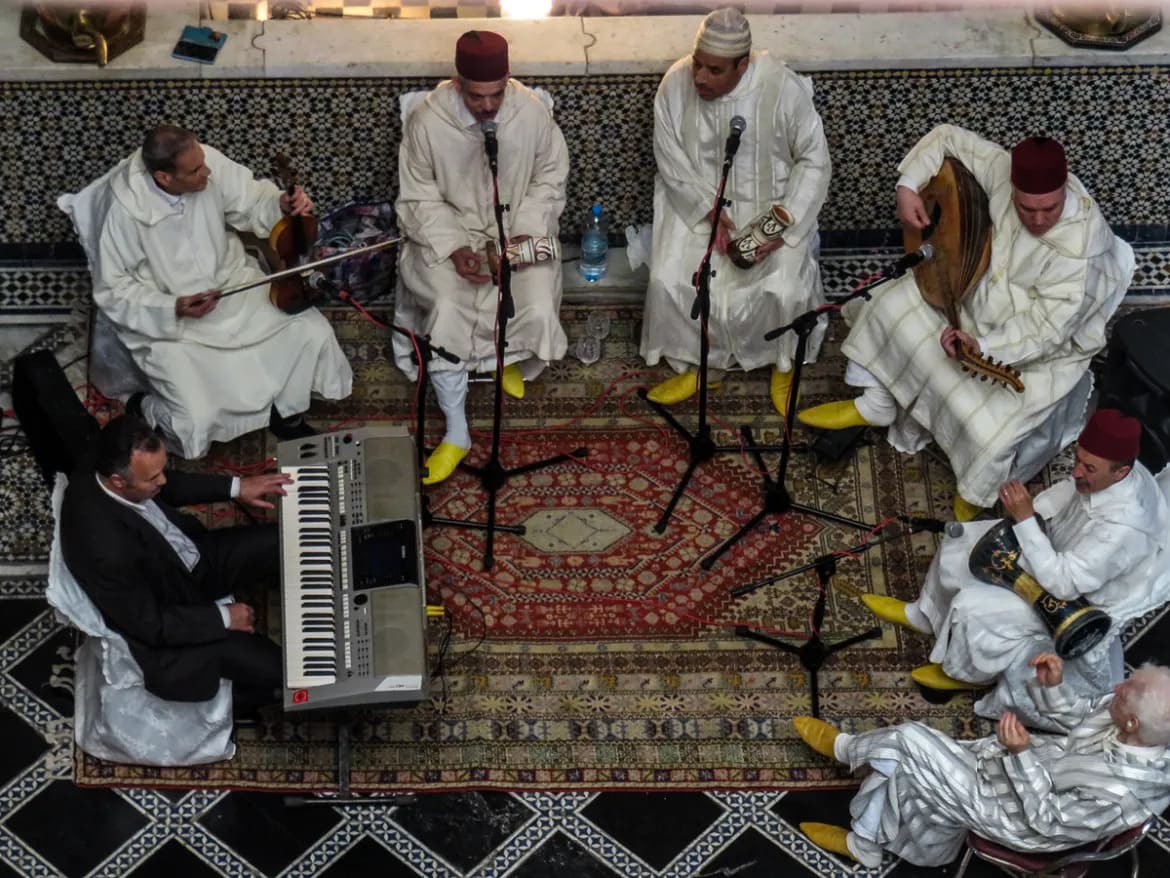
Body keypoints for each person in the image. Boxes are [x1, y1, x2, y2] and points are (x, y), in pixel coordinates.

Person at [798, 125, 1132, 521]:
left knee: (992, 432)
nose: (1039, 220)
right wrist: (908, 186)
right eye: (1027, 209)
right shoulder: (1000, 172)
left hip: (1037, 349)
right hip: (973, 296)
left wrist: (983, 345)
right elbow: (947, 138)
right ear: (1013, 189)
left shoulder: (1082, 254)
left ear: (1063, 195)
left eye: (1050, 209)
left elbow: (1048, 330)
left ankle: (975, 491)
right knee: (887, 303)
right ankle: (877, 405)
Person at [862, 409, 1168, 726]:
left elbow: (1064, 584)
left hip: (1075, 599)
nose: (1076, 471)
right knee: (963, 541)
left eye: (1089, 468)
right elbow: (1066, 493)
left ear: (1120, 473)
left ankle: (962, 673)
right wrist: (1032, 513)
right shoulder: (1113, 469)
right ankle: (925, 614)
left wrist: (1025, 521)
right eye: (1077, 458)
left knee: (973, 607)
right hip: (1054, 554)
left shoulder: (1125, 530)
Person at [94, 124, 354, 459]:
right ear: (163, 178)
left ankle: (285, 415)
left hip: (232, 285)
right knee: (195, 415)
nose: (207, 172)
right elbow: (113, 288)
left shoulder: (206, 162)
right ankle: (141, 406)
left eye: (203, 162)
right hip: (173, 317)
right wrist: (172, 306)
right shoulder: (124, 210)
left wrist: (280, 204)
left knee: (311, 332)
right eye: (195, 171)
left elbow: (252, 200)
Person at [793, 652, 1170, 869]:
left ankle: (846, 749)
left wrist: (1021, 755)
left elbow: (1046, 820)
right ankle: (867, 844)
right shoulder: (1143, 725)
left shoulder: (1119, 797)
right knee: (907, 765)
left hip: (1016, 818)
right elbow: (1081, 715)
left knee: (908, 741)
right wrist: (1053, 686)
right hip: (1030, 767)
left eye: (1124, 692)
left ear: (1133, 724)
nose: (1116, 687)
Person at [394, 30, 570, 485]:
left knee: (534, 300)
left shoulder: (530, 113)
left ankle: (502, 359)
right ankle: (457, 432)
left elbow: (550, 178)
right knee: (449, 308)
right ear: (458, 84)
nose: (488, 106)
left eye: (496, 95)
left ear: (508, 81)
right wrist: (455, 248)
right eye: (476, 97)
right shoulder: (427, 122)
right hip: (447, 237)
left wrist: (524, 232)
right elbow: (417, 197)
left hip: (515, 232)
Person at [640, 7, 831, 416]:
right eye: (697, 64)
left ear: (742, 65)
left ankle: (783, 361)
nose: (699, 77)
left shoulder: (782, 87)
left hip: (772, 209)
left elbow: (814, 160)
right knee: (668, 280)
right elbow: (669, 159)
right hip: (698, 203)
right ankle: (703, 363)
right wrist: (708, 210)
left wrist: (782, 224)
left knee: (783, 289)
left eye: (714, 70)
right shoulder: (674, 85)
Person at [59, 414, 289, 708]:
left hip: (189, 561)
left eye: (161, 470)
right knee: (281, 670)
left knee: (282, 540)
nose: (163, 481)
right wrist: (223, 617)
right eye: (153, 478)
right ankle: (254, 697)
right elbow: (151, 625)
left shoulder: (111, 460)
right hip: (174, 615)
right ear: (118, 482)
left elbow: (169, 485)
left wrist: (237, 487)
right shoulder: (105, 550)